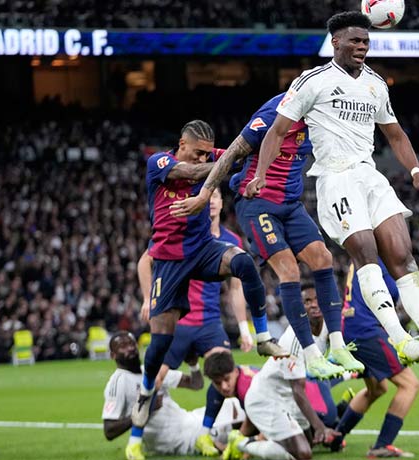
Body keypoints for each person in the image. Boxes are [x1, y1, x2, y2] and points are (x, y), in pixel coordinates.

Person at [244, 11, 419, 369]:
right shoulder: (312, 81)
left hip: (370, 177)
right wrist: (260, 174)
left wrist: (416, 172)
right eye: (355, 41)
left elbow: (395, 134)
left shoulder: (375, 84)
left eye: (366, 42)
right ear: (335, 41)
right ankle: (401, 340)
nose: (362, 47)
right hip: (335, 178)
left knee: (403, 256)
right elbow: (277, 131)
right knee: (366, 254)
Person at [171, 94, 364, 379]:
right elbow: (235, 151)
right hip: (257, 202)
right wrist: (204, 192)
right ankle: (311, 355)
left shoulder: (320, 121)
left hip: (290, 205)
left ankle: (336, 345)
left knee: (323, 258)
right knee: (288, 269)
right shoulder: (274, 112)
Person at [127, 120, 287, 460]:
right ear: (181, 143)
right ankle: (144, 394)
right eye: (198, 151)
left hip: (202, 251)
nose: (203, 158)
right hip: (169, 261)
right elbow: (198, 170)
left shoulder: (212, 176)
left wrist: (251, 150)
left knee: (244, 263)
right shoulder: (159, 162)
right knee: (158, 346)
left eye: (207, 152)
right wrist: (229, 160)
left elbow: (239, 154)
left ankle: (261, 336)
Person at [138, 188, 253, 456]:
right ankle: (136, 437)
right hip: (178, 321)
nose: (211, 202)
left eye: (215, 197)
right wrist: (147, 298)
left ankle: (210, 434)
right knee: (154, 380)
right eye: (206, 197)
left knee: (228, 375)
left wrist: (245, 329)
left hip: (210, 323)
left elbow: (236, 290)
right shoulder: (182, 233)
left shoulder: (231, 240)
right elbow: (146, 262)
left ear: (222, 203)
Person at [220, 283, 339, 460]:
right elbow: (298, 389)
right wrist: (320, 426)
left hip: (288, 395)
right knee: (303, 454)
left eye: (317, 300)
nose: (314, 304)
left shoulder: (329, 326)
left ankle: (264, 439)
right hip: (265, 398)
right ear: (299, 307)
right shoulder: (294, 339)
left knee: (308, 445)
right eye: (307, 301)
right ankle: (239, 442)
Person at [326, 261, 419, 458]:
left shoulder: (359, 254)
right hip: (366, 330)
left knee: (376, 388)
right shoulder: (376, 256)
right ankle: (382, 446)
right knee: (409, 385)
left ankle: (335, 437)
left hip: (350, 327)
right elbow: (391, 293)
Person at [103, 332, 245, 456]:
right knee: (227, 429)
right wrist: (145, 409)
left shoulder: (151, 371)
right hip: (172, 439)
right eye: (123, 346)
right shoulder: (119, 382)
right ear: (112, 355)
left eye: (132, 344)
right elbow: (109, 430)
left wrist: (193, 365)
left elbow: (196, 384)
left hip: (186, 420)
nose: (130, 349)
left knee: (234, 404)